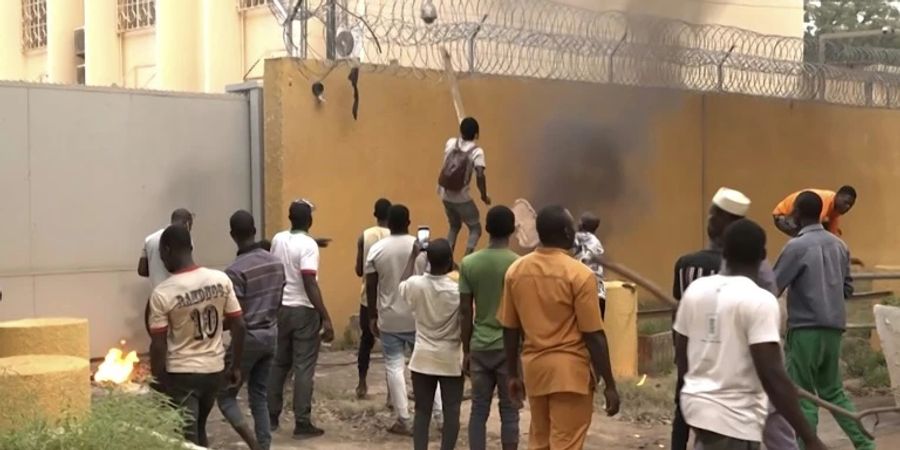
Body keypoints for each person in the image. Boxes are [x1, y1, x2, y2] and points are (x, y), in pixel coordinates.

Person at [674, 219, 825, 450]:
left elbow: (682, 354)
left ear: (724, 251)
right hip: (734, 417)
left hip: (697, 409)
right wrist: (810, 438)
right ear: (762, 255)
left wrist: (694, 390)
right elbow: (771, 374)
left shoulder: (695, 290)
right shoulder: (760, 300)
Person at [498, 205, 620, 450]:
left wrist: (513, 374)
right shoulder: (580, 274)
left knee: (540, 442)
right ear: (566, 232)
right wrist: (610, 384)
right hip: (570, 374)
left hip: (535, 372)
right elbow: (593, 334)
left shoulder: (516, 271)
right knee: (566, 444)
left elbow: (510, 328)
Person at [774, 191, 874, 450]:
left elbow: (774, 286)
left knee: (803, 395)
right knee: (834, 392)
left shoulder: (795, 247)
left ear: (795, 214)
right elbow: (847, 288)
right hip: (833, 329)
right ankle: (865, 445)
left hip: (805, 329)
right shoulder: (840, 245)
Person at [148, 225, 246, 447]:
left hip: (182, 375)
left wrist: (158, 380)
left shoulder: (163, 292)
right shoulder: (221, 279)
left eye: (162, 254)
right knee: (198, 429)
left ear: (167, 249)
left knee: (187, 438)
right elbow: (239, 324)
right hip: (213, 371)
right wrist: (236, 366)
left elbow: (158, 344)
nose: (162, 260)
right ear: (190, 247)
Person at [366, 204, 442, 434]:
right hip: (418, 316)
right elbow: (433, 276)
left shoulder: (377, 249)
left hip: (390, 317)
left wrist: (372, 315)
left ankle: (403, 419)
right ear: (409, 223)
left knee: (394, 365)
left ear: (388, 223)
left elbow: (370, 285)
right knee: (428, 367)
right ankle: (440, 417)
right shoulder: (421, 248)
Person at [216, 211, 285, 450]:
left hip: (248, 338)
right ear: (255, 230)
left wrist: (234, 362)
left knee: (225, 396)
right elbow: (278, 301)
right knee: (259, 395)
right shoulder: (276, 262)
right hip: (271, 334)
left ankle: (254, 444)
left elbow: (238, 319)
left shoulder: (234, 271)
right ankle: (264, 445)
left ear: (232, 235)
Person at [268, 201, 335, 439]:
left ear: (289, 218)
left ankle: (271, 417)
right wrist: (325, 316)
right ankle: (302, 422)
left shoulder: (278, 239)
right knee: (303, 367)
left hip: (281, 308)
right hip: (303, 311)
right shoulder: (308, 246)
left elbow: (287, 251)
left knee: (279, 364)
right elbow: (309, 281)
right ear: (310, 221)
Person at [460, 205, 520, 450]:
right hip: (510, 349)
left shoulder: (469, 263)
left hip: (480, 346)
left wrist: (466, 350)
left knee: (478, 409)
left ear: (486, 229)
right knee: (510, 410)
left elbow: (465, 311)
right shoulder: (519, 265)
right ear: (513, 230)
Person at [402, 239, 464, 450]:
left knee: (422, 411)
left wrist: (412, 256)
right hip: (450, 357)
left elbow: (401, 284)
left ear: (427, 260)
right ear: (450, 261)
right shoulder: (457, 291)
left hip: (422, 358)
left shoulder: (415, 284)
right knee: (452, 411)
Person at [355, 198, 392, 399]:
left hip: (367, 297)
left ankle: (362, 383)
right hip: (390, 297)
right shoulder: (397, 236)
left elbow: (359, 269)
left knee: (366, 341)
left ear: (374, 214)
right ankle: (391, 392)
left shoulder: (365, 235)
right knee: (392, 346)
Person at [438, 117, 491, 255]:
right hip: (462, 198)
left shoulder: (450, 143)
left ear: (460, 131)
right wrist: (484, 196)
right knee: (475, 229)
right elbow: (480, 175)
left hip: (445, 195)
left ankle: (447, 260)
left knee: (454, 226)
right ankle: (467, 258)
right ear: (476, 134)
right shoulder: (477, 152)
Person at [139, 208, 194, 332]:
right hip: (179, 298)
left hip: (156, 296)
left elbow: (141, 270)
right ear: (187, 223)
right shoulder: (186, 240)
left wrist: (156, 270)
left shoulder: (150, 239)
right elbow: (187, 267)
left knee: (158, 337)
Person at [772, 186, 856, 237]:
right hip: (784, 216)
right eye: (845, 202)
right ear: (837, 196)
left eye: (850, 205)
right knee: (809, 236)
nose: (847, 207)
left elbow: (832, 232)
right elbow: (813, 228)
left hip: (801, 217)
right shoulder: (825, 201)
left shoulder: (836, 209)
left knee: (827, 235)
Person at [572, 212, 607, 318]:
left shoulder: (574, 239)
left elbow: (583, 260)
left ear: (582, 224)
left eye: (580, 221)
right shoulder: (596, 243)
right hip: (597, 293)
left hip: (583, 292)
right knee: (596, 329)